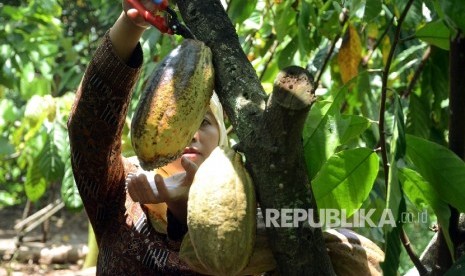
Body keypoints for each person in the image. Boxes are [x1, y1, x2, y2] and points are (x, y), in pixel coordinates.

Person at [67, 0, 227, 274]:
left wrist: (186, 209)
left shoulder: (245, 205)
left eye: (202, 121)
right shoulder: (123, 191)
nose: (189, 134)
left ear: (223, 134)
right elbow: (89, 130)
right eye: (178, 117)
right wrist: (131, 24)